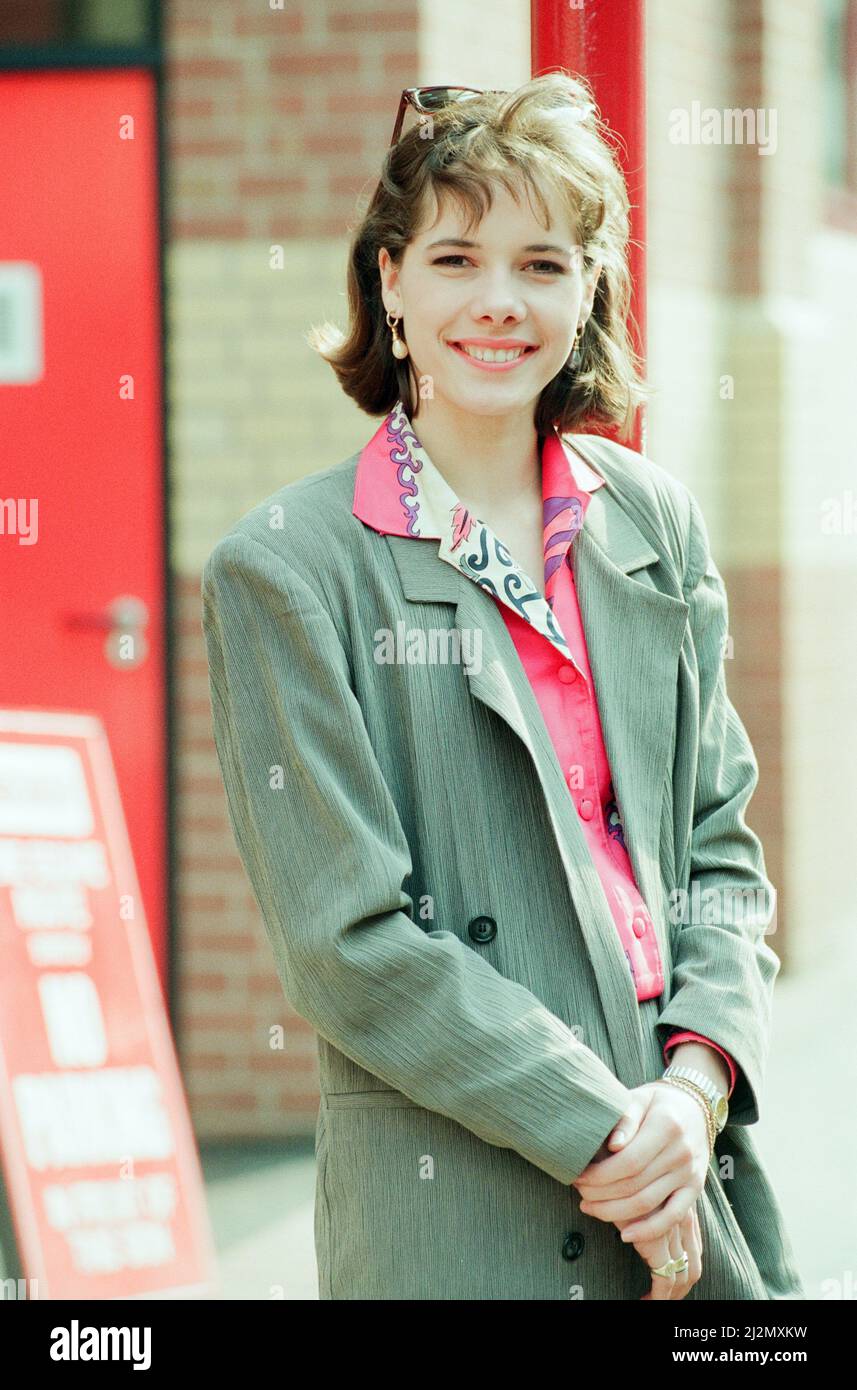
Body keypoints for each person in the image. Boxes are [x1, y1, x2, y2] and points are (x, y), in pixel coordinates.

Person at [201, 73, 805, 1300]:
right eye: (456, 257)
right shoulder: (286, 568)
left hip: (696, 1169)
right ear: (390, 282)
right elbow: (350, 945)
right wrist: (611, 1134)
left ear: (587, 291)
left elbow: (720, 858)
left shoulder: (654, 524)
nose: (496, 302)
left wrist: (690, 1095)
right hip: (461, 1204)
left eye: (541, 263)